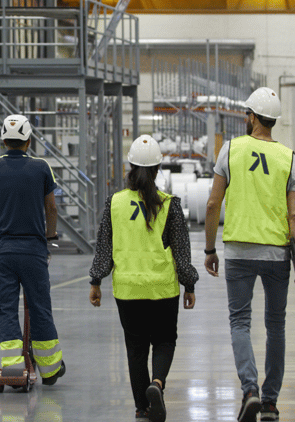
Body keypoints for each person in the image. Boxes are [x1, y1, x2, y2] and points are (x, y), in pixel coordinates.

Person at [204, 87, 295, 422]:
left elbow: (212, 203)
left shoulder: (230, 150)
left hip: (237, 249)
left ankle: (249, 390)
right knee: (275, 325)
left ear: (251, 117)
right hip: (276, 254)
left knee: (240, 321)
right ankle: (270, 403)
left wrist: (209, 249)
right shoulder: (289, 158)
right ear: (274, 121)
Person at [89, 135, 199, 422]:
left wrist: (96, 281)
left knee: (136, 349)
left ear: (130, 166)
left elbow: (104, 249)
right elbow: (182, 252)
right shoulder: (169, 204)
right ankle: (157, 384)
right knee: (164, 340)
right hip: (163, 289)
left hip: (128, 290)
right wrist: (189, 284)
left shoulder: (114, 203)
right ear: (158, 168)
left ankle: (142, 408)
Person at [0, 114, 66, 385]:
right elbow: (51, 207)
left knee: (6, 308)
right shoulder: (41, 167)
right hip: (33, 250)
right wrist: (50, 237)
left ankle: (14, 368)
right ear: (29, 141)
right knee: (40, 307)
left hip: (2, 250)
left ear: (4, 140)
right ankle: (50, 369)